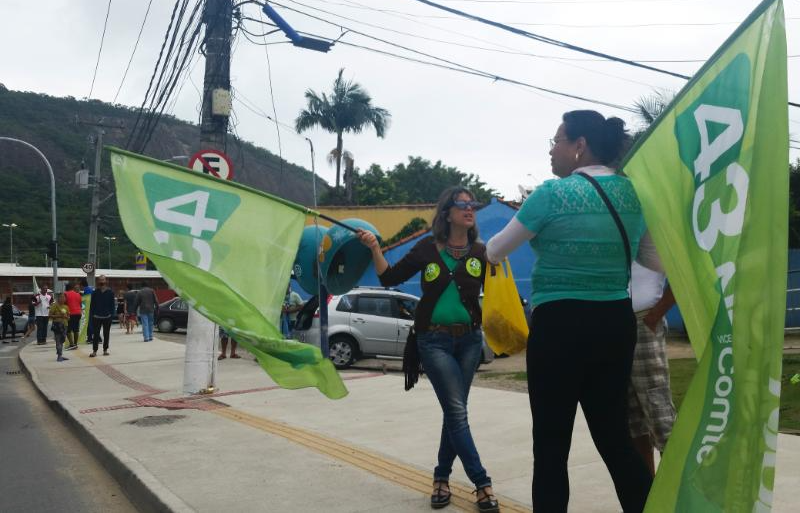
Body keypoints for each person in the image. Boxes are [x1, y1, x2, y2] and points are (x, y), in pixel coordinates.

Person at [486, 110, 661, 512]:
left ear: (579, 146)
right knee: (614, 438)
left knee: (551, 444)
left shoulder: (550, 194)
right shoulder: (634, 194)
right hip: (615, 325)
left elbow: (496, 250)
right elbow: (654, 260)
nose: (552, 149)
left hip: (559, 327)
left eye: (557, 140)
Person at [358, 186, 499, 513]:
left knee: (455, 413)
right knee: (457, 412)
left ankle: (440, 478)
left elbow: (496, 290)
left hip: (469, 341)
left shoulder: (481, 252)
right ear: (447, 213)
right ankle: (482, 483)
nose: (469, 209)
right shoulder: (426, 248)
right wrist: (376, 248)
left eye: (472, 205)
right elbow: (389, 278)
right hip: (433, 341)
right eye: (461, 204)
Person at [628, 262, 677, 476]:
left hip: (644, 321)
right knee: (631, 417)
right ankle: (647, 491)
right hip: (612, 323)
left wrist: (655, 316)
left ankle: (676, 489)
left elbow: (681, 273)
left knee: (658, 408)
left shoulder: (657, 231)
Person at [89, 275, 115, 356]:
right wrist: (92, 314)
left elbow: (112, 305)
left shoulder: (110, 292)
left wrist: (111, 315)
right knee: (96, 334)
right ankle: (94, 351)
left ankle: (105, 350)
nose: (102, 282)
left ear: (106, 281)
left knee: (106, 334)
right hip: (96, 317)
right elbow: (92, 305)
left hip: (107, 317)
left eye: (103, 280)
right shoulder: (95, 292)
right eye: (100, 280)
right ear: (98, 281)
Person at [49, 292, 70, 362]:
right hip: (57, 325)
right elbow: (50, 315)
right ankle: (59, 356)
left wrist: (66, 316)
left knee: (62, 340)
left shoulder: (66, 307)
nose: (62, 298)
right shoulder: (54, 305)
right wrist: (60, 316)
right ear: (58, 298)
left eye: (64, 297)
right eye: (61, 297)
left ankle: (59, 354)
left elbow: (68, 317)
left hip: (65, 325)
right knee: (58, 340)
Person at [63, 282, 82, 351]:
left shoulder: (65, 294)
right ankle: (76, 344)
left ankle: (71, 344)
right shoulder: (78, 294)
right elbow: (80, 304)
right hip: (78, 313)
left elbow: (64, 303)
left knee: (68, 330)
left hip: (70, 314)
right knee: (76, 329)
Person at [82, 278, 94, 344]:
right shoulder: (91, 288)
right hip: (92, 308)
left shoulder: (87, 290)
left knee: (89, 324)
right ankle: (90, 338)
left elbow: (86, 300)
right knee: (91, 323)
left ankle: (91, 338)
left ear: (82, 285)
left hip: (89, 309)